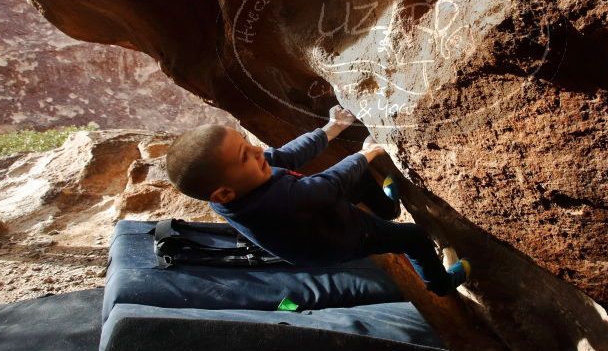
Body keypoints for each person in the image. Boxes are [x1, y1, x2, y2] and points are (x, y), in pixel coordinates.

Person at [165, 105, 470, 296]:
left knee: (358, 179)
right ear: (225, 194)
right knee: (413, 237)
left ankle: (388, 209)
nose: (259, 152)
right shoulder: (273, 202)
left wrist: (330, 128)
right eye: (246, 155)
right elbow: (326, 187)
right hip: (337, 238)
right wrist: (365, 154)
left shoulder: (240, 183)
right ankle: (440, 284)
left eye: (248, 144)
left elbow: (283, 155)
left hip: (315, 215)